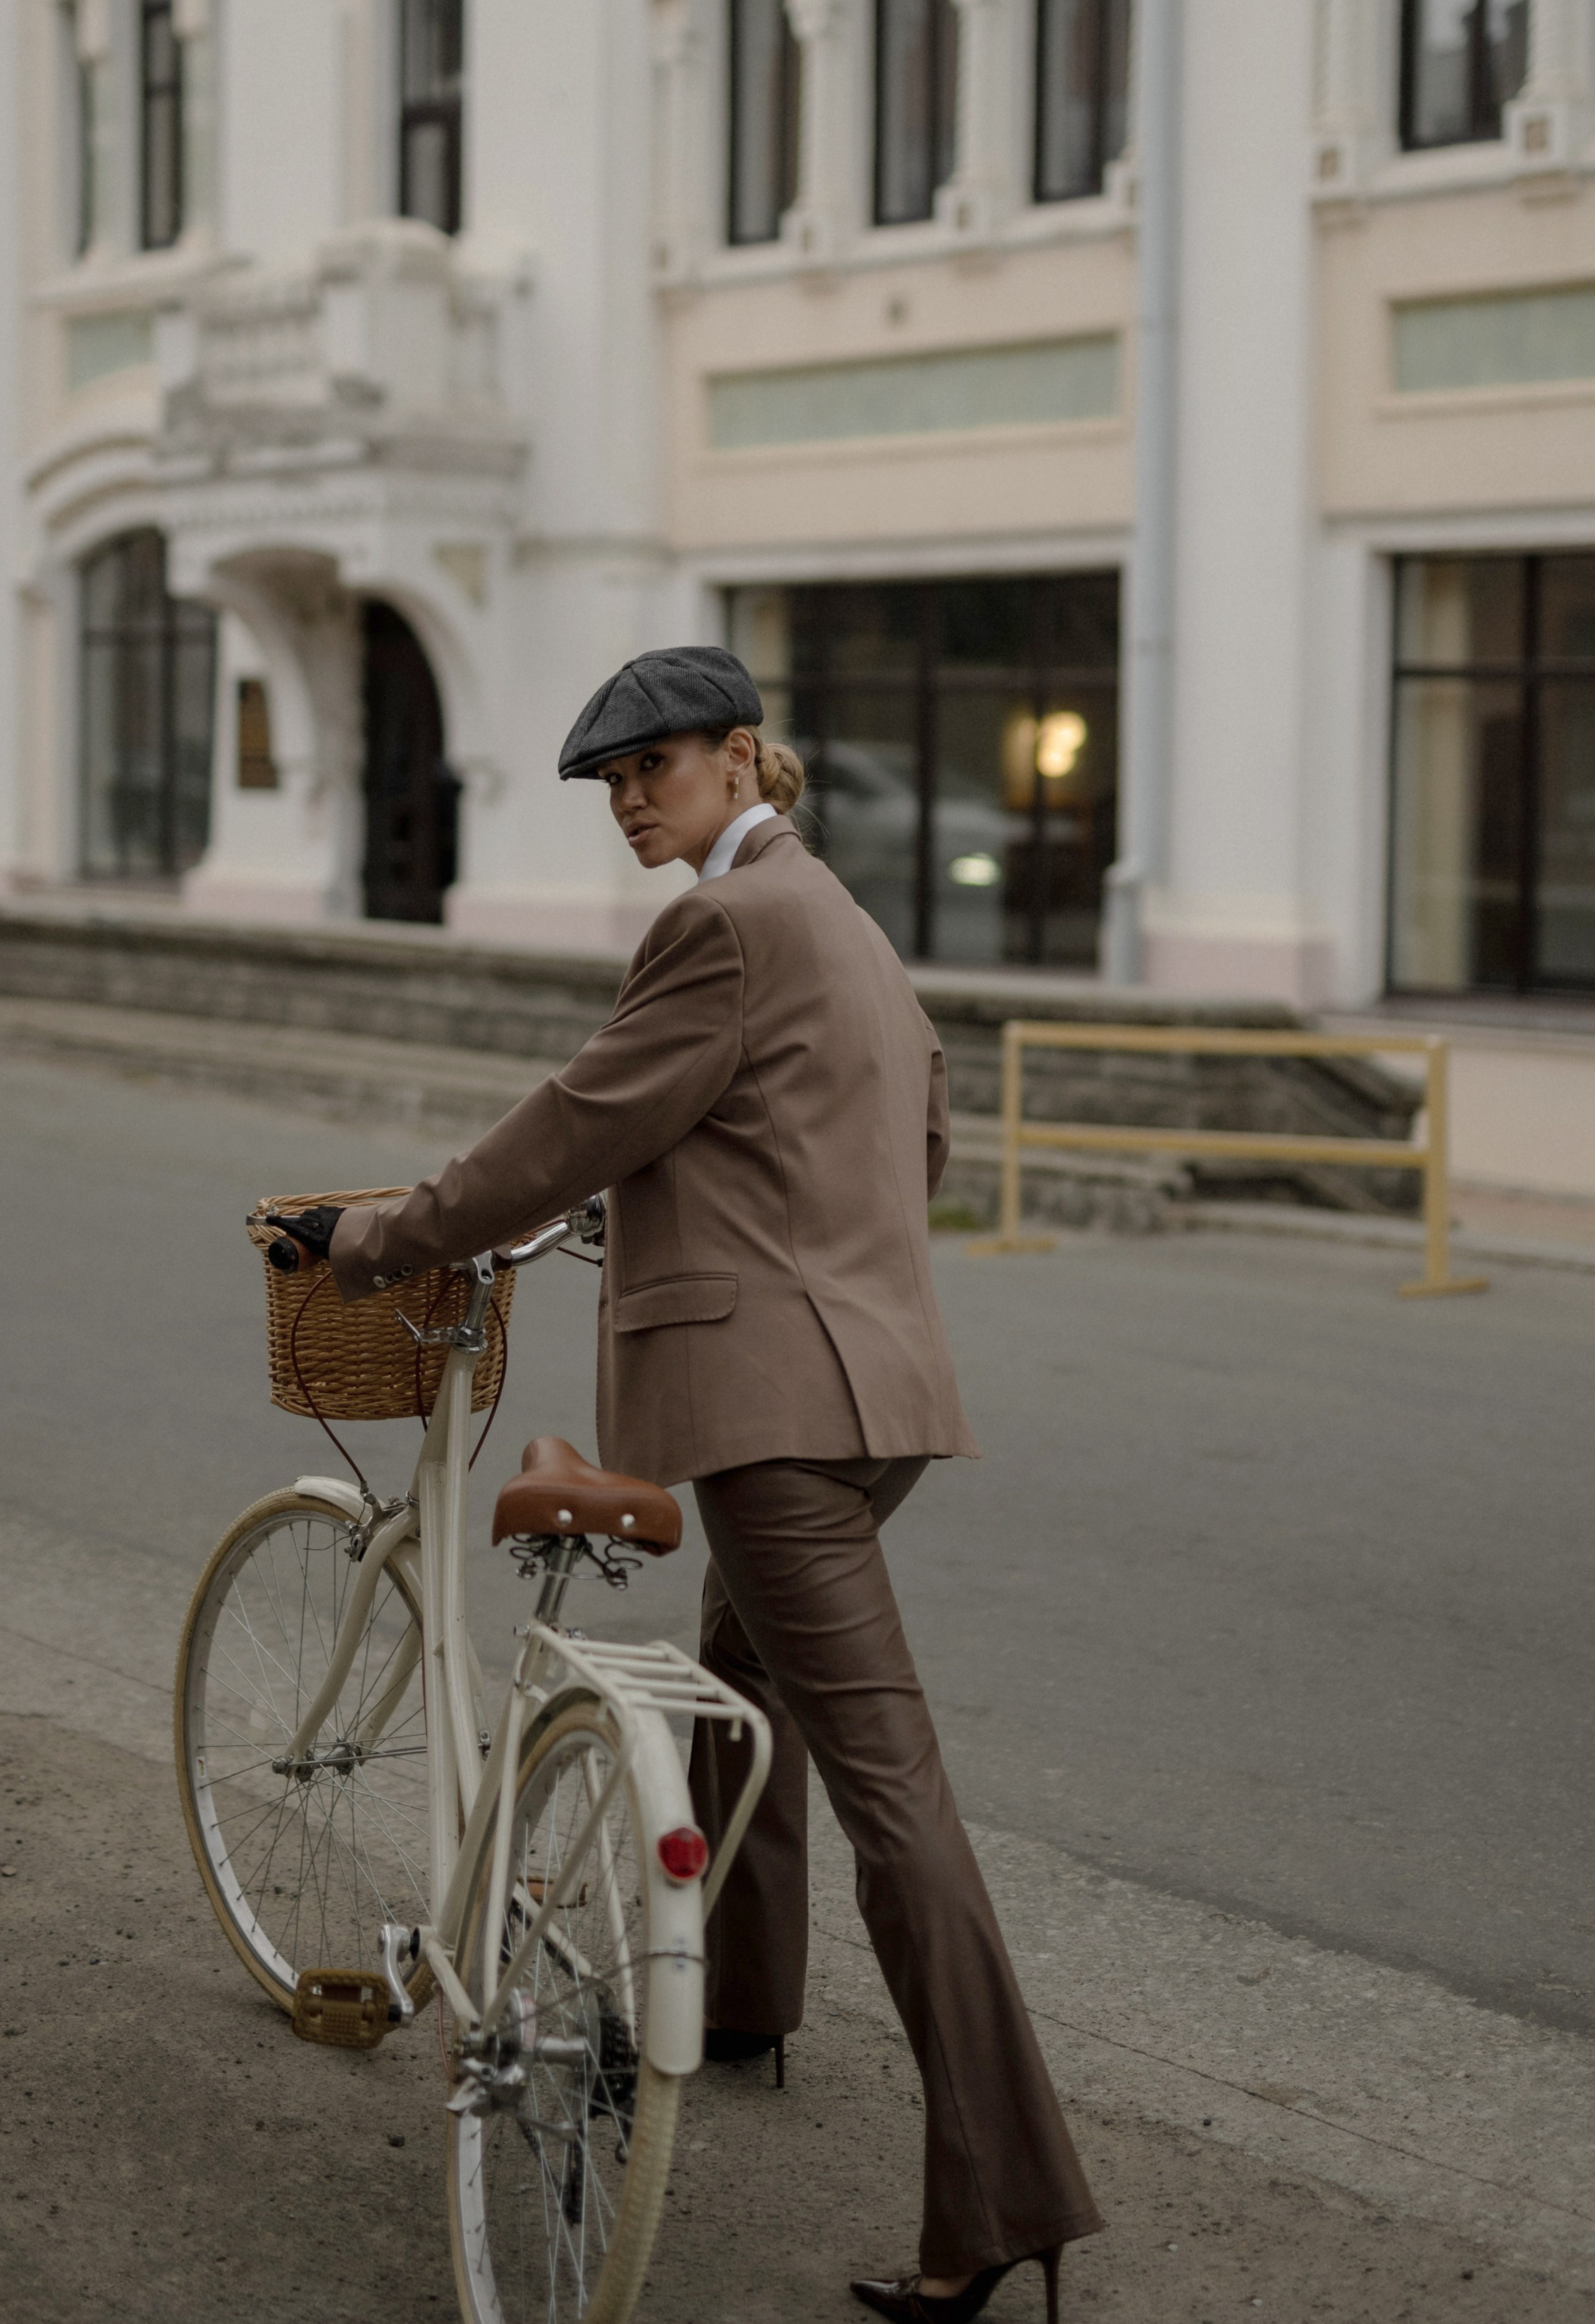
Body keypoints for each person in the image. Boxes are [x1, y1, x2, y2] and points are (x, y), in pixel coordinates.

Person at [273, 645, 1102, 2321]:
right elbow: (910, 1131)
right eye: (608, 781)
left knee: (896, 1799)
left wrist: (377, 1237)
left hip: (775, 1413)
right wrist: (742, 1211)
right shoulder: (837, 916)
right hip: (875, 1393)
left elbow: (577, 1120)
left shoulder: (719, 924)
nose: (628, 800)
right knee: (740, 1673)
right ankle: (734, 1999)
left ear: (737, 757)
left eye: (652, 767)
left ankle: (1003, 2199)